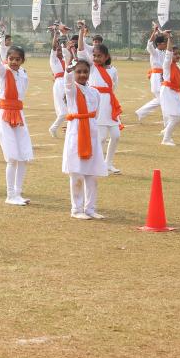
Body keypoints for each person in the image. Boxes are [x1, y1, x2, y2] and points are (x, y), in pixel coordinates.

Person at [0, 24, 32, 205]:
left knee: (24, 156)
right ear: (7, 59)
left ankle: (18, 193)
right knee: (13, 157)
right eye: (11, 59)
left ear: (22, 61)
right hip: (5, 114)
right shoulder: (3, 72)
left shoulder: (23, 74)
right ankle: (10, 195)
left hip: (19, 114)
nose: (14, 62)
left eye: (17, 59)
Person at [62, 57, 107, 219]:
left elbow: (97, 113)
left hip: (92, 133)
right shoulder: (72, 90)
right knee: (77, 173)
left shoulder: (94, 92)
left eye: (85, 72)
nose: (82, 75)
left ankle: (90, 208)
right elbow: (67, 85)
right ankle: (76, 209)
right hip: (77, 133)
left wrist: (92, 128)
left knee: (92, 174)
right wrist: (68, 72)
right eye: (78, 72)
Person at [78, 24, 123, 175]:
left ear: (106, 57)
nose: (96, 58)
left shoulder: (113, 70)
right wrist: (81, 33)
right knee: (102, 137)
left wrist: (110, 100)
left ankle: (108, 163)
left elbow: (114, 86)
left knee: (116, 135)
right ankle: (95, 163)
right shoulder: (92, 67)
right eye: (94, 55)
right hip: (98, 103)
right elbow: (81, 50)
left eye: (99, 56)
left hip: (110, 103)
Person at [158, 31, 180, 146]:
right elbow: (168, 53)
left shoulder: (178, 66)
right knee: (175, 117)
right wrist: (169, 38)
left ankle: (166, 131)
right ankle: (166, 139)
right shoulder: (167, 64)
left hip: (176, 93)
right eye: (175, 54)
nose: (177, 56)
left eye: (179, 54)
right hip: (168, 92)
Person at [135, 26, 168, 121]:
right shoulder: (154, 52)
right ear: (158, 44)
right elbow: (149, 44)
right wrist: (154, 32)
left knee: (161, 99)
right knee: (162, 99)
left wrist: (165, 35)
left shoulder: (164, 52)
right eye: (164, 43)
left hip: (162, 77)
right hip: (157, 78)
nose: (165, 45)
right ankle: (166, 119)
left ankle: (141, 112)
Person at [47, 27, 73, 138]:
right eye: (57, 50)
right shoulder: (53, 59)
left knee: (71, 107)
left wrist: (64, 34)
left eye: (60, 50)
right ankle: (53, 128)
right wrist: (56, 35)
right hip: (59, 84)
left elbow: (68, 51)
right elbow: (53, 47)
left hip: (67, 82)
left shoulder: (64, 60)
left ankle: (68, 129)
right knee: (63, 112)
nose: (59, 51)